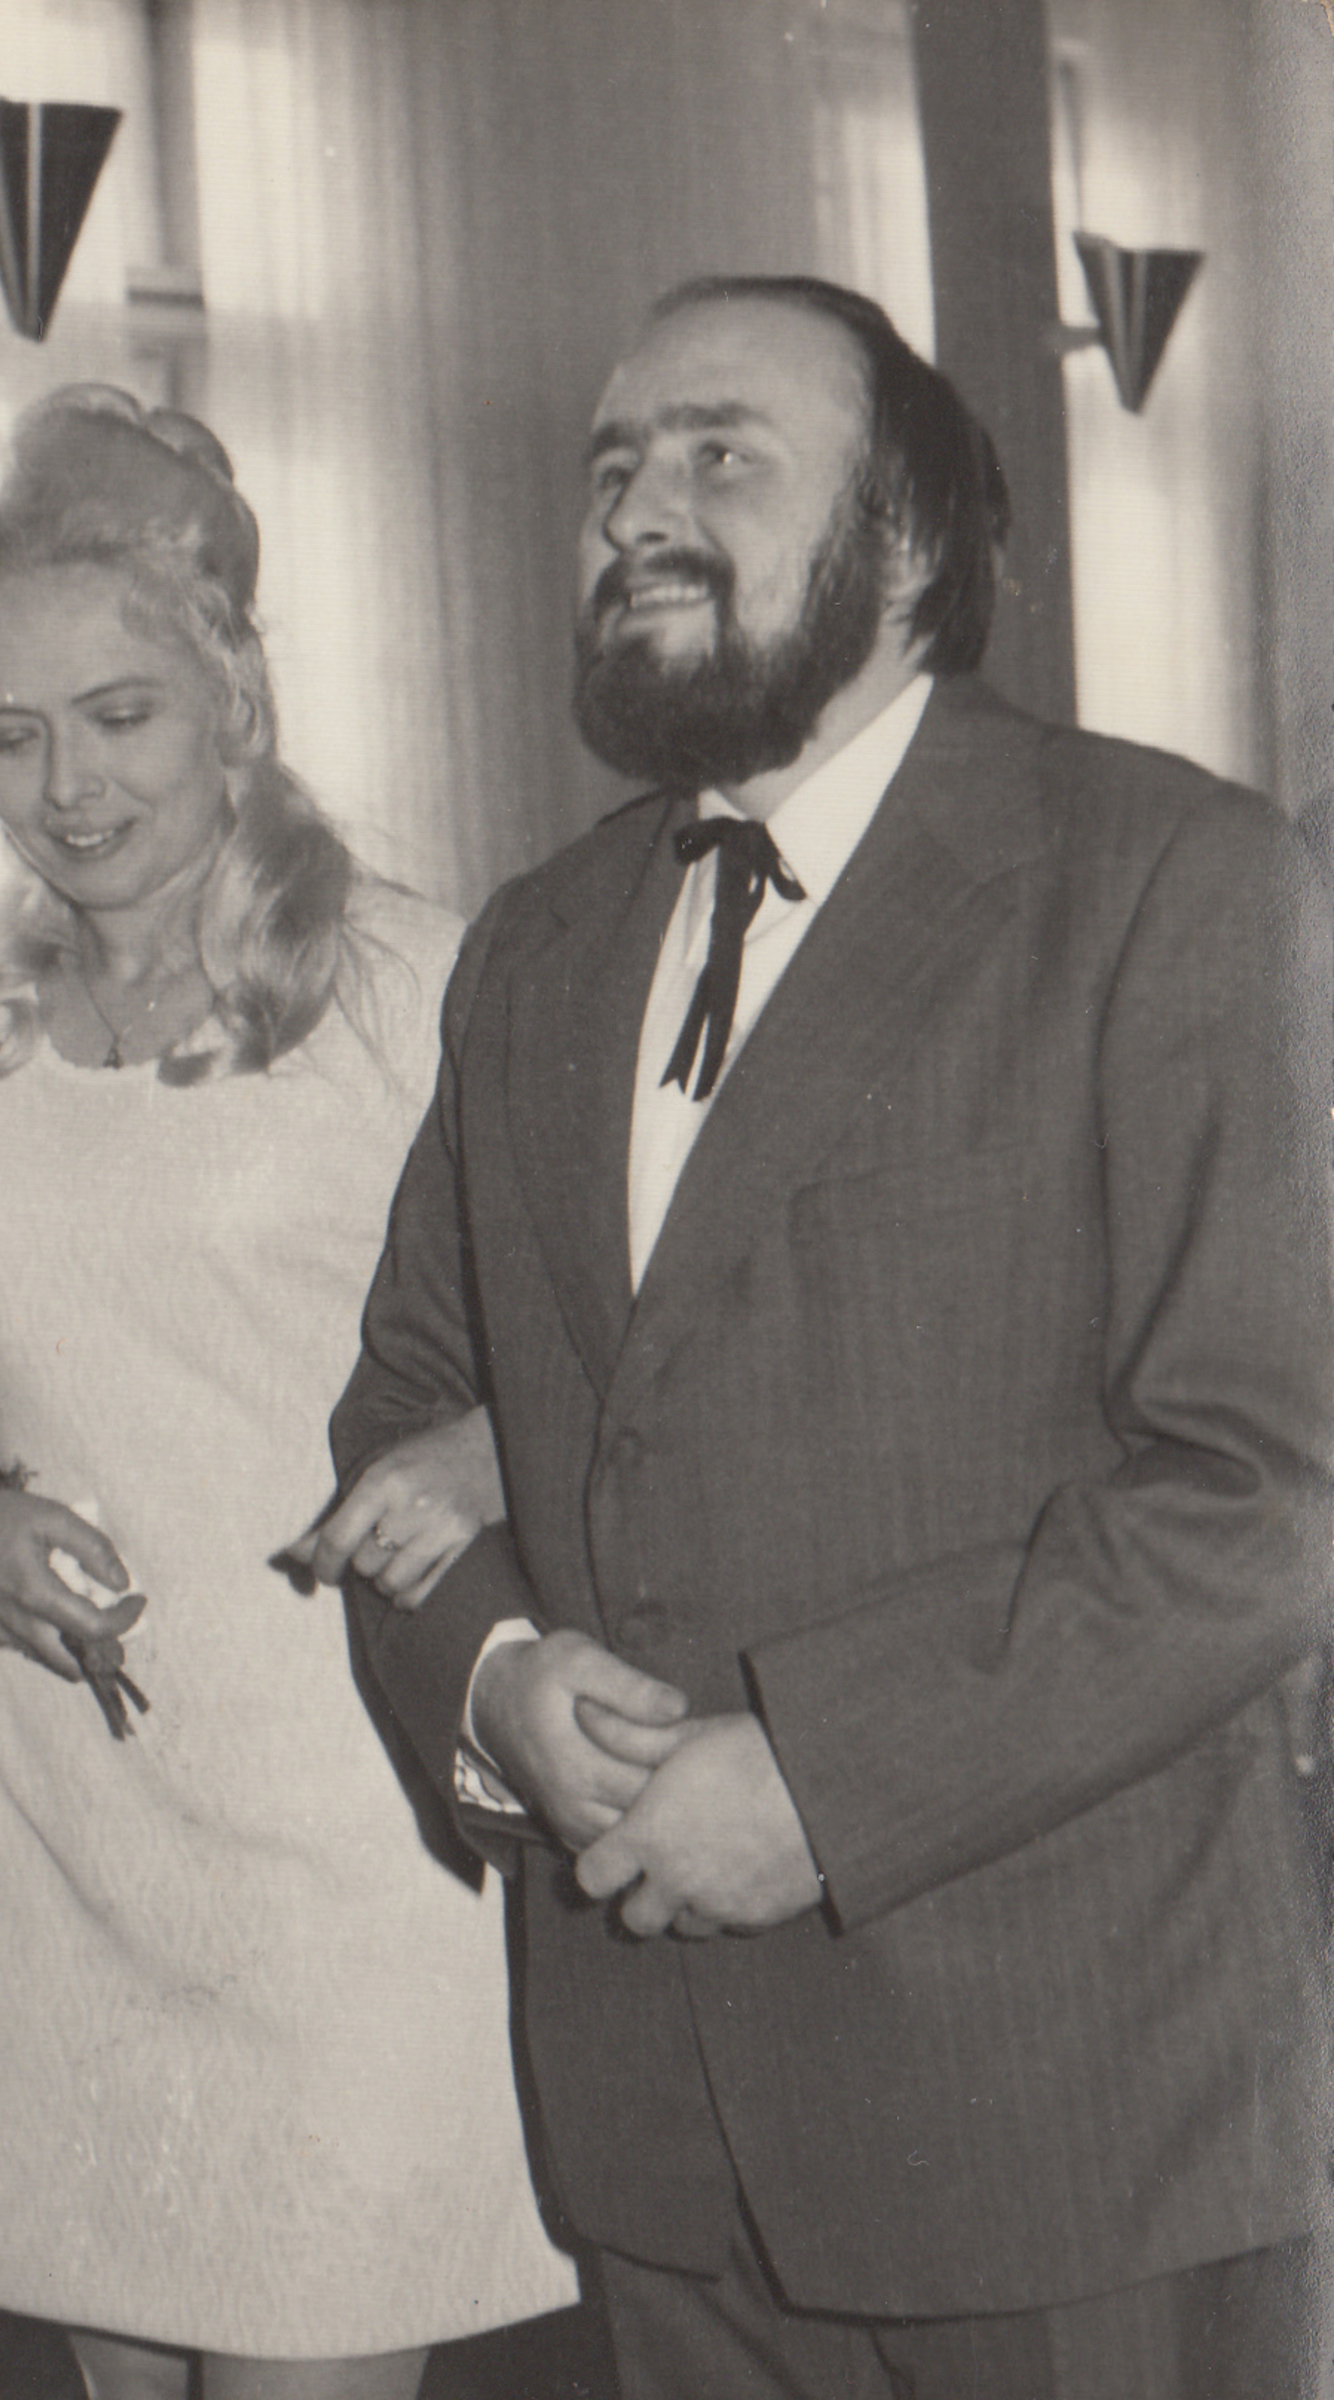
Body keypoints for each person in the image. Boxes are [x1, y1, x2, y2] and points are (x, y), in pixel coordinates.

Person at [315, 278, 1333, 2399]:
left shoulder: (1167, 880)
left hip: (1059, 2119)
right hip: (654, 2124)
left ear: (908, 539)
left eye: (720, 456)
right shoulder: (539, 946)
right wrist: (493, 1686)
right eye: (612, 469)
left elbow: (1269, 1489)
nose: (635, 512)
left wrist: (820, 1783)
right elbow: (411, 1402)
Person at [0, 385, 577, 2400]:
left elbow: (625, 1351)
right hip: (57, 1817)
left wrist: (485, 1444)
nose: (66, 787)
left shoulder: (412, 987)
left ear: (232, 691)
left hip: (344, 1821)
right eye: (8, 732)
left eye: (120, 714)